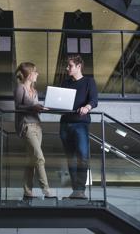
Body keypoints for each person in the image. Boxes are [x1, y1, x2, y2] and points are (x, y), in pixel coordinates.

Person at [60, 54, 98, 199]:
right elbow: (61, 103)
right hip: (65, 123)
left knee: (83, 156)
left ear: (78, 66)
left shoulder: (89, 81)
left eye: (70, 66)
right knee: (71, 158)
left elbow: (94, 100)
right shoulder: (65, 83)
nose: (67, 68)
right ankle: (76, 190)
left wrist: (87, 107)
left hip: (80, 123)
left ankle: (80, 189)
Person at [14, 62, 52, 198]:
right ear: (29, 74)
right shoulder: (20, 88)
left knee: (31, 160)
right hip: (27, 126)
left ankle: (27, 192)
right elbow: (18, 107)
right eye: (35, 72)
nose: (37, 74)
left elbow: (34, 108)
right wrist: (34, 107)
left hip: (37, 126)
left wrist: (41, 108)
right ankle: (46, 191)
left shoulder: (34, 91)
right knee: (39, 158)